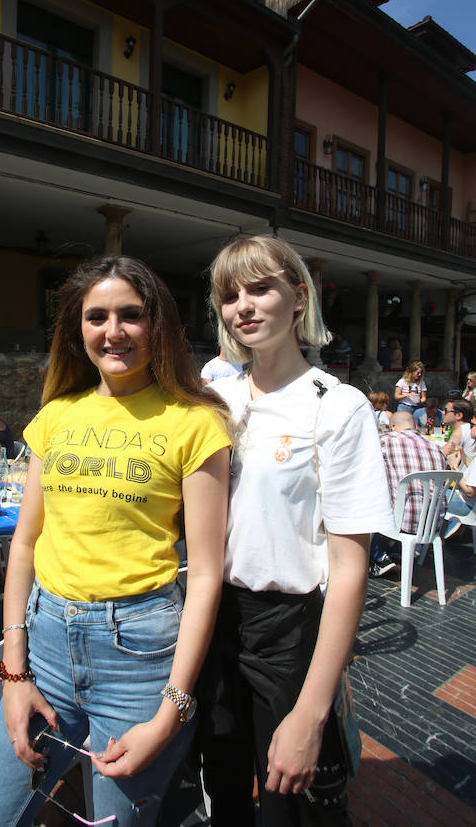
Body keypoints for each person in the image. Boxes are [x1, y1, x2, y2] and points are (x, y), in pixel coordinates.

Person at [0, 256, 231, 827]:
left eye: (131, 315)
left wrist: (171, 709)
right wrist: (14, 672)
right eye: (97, 316)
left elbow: (205, 573)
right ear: (77, 330)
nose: (113, 331)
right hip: (46, 643)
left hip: (139, 657)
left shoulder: (194, 421)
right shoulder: (57, 414)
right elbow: (26, 545)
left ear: (157, 324)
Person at [197, 235, 394, 826]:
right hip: (212, 619)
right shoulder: (214, 396)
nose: (244, 307)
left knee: (291, 807)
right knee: (225, 791)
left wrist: (312, 711)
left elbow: (351, 565)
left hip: (287, 633)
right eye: (230, 296)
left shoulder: (337, 406)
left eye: (261, 288)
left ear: (299, 297)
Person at [370, 411, 447, 577]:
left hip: (401, 522)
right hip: (432, 524)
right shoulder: (436, 447)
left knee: (370, 496)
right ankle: (398, 550)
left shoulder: (386, 441)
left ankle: (379, 557)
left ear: (392, 427)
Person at [441, 398, 476, 469]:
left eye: (446, 411)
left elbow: (442, 454)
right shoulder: (469, 428)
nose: (443, 412)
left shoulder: (460, 430)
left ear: (458, 415)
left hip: (463, 476)